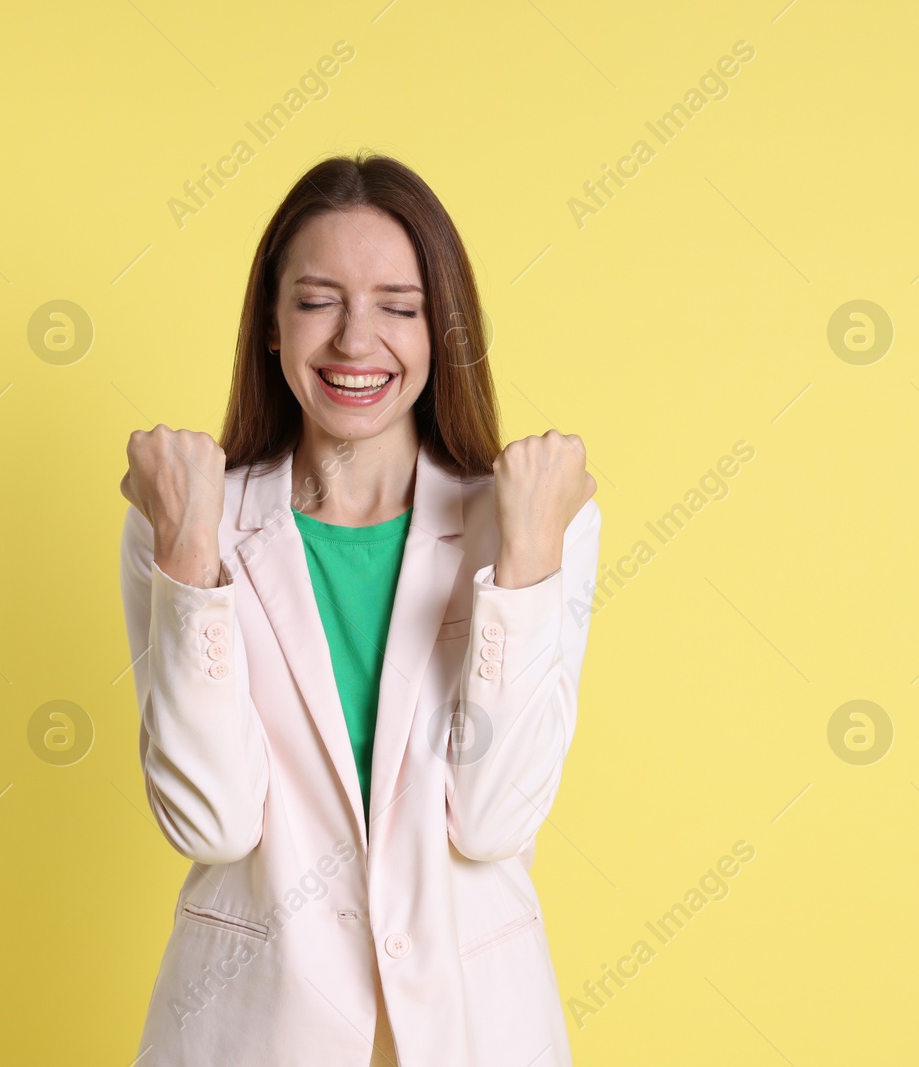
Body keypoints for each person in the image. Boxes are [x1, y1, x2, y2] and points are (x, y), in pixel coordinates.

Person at [117, 152, 599, 1065]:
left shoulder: (535, 523)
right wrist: (190, 554)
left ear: (442, 330)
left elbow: (494, 820)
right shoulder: (183, 522)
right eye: (317, 300)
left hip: (474, 1031)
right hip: (250, 1032)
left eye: (399, 306)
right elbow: (211, 820)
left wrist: (527, 562)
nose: (354, 340)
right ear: (270, 321)